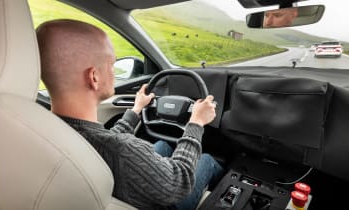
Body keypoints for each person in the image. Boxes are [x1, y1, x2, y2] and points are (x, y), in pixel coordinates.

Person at [36, 19, 225, 210]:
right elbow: (179, 182)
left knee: (162, 146)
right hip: (163, 199)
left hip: (115, 190)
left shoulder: (42, 126)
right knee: (207, 160)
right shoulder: (123, 150)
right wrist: (196, 122)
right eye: (112, 65)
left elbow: (105, 140)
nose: (114, 71)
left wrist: (136, 110)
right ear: (94, 77)